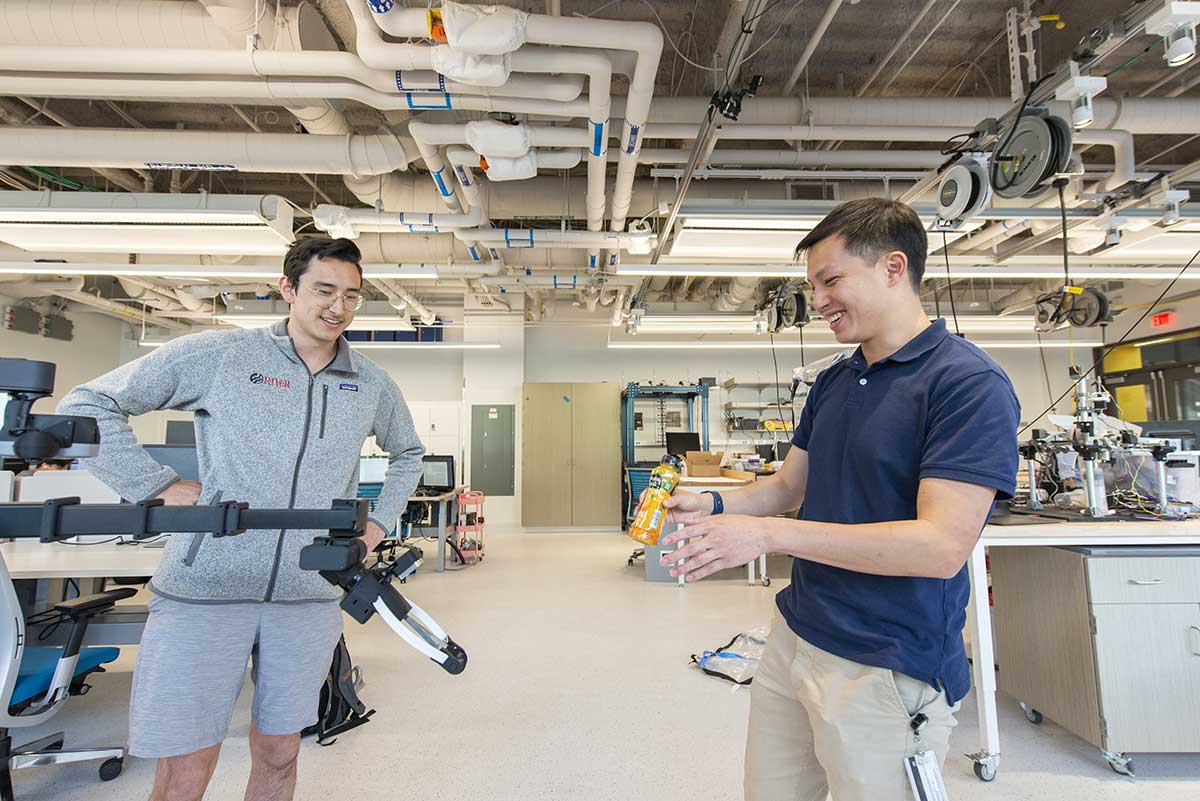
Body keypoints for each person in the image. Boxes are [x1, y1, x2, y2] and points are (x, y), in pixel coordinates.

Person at [656, 198, 1020, 801]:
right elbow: (788, 486)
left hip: (887, 662)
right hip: (799, 635)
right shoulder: (835, 379)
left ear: (894, 269)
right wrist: (715, 505)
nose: (818, 300)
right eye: (812, 286)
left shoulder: (966, 384)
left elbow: (940, 548)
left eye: (830, 281)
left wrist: (771, 535)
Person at [58, 238, 426, 801]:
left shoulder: (370, 382)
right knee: (188, 763)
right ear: (288, 289)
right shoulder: (222, 356)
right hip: (206, 589)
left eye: (351, 296)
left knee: (280, 751)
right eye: (324, 290)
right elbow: (87, 403)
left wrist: (379, 522)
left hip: (309, 593)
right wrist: (154, 485)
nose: (338, 307)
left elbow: (408, 453)